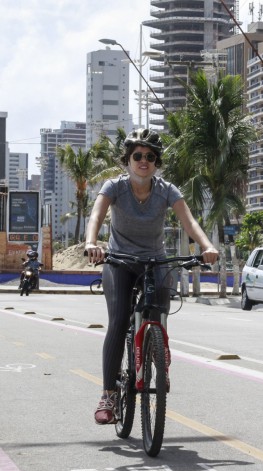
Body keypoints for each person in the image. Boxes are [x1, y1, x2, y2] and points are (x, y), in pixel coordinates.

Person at [84, 128, 219, 425]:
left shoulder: (166, 190)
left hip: (155, 259)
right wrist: (92, 243)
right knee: (119, 321)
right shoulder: (114, 187)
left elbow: (190, 221)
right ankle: (108, 393)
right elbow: (96, 215)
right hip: (119, 260)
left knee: (158, 310)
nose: (143, 161)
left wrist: (207, 246)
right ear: (128, 160)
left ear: (157, 163)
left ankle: (158, 355)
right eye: (138, 156)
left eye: (150, 156)